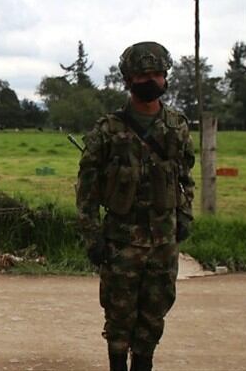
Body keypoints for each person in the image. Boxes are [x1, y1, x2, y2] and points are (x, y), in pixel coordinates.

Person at [76, 41, 195, 371]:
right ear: (127, 79)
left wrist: (185, 214)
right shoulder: (108, 130)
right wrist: (92, 237)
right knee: (119, 315)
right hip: (121, 243)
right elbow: (86, 191)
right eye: (143, 74)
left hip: (163, 242)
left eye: (157, 73)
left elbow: (186, 177)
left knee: (154, 315)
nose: (151, 80)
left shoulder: (177, 126)